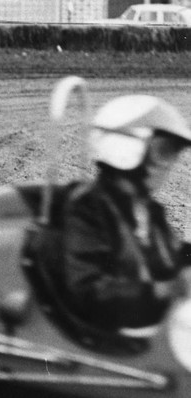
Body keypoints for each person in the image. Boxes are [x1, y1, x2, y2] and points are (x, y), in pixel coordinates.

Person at [62, 94, 191, 334]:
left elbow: (170, 255)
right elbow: (90, 291)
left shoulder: (148, 210)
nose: (167, 165)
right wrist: (165, 290)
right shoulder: (89, 208)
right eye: (163, 151)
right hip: (115, 336)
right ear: (127, 149)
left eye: (172, 153)